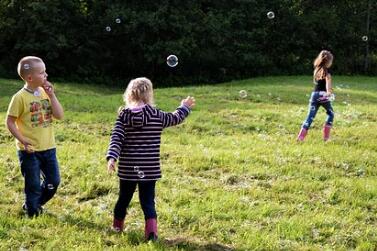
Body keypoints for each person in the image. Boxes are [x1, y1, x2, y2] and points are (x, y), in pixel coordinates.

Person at [106, 77, 195, 241]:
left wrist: (112, 157)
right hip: (149, 169)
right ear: (149, 96)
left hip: (128, 169)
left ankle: (117, 226)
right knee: (148, 201)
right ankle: (151, 233)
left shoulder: (123, 117)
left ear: (129, 95)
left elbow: (116, 138)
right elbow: (174, 118)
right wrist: (184, 107)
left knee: (123, 199)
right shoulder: (156, 115)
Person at [6, 56, 64, 217]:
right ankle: (32, 214)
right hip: (29, 150)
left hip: (49, 148)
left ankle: (34, 203)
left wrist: (52, 96)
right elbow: (9, 122)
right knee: (33, 185)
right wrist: (22, 139)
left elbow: (59, 115)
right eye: (42, 72)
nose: (46, 75)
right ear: (30, 78)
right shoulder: (19, 98)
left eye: (45, 72)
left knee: (54, 181)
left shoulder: (46, 93)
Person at [297, 50, 335, 141]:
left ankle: (300, 137)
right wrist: (329, 92)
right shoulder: (327, 72)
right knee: (331, 113)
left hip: (314, 95)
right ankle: (326, 138)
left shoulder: (317, 70)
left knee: (310, 117)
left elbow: (317, 83)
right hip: (323, 95)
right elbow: (327, 84)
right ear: (328, 61)